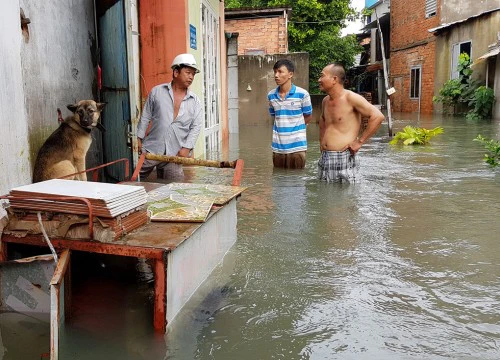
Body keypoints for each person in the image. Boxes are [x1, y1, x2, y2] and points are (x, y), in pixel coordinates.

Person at [137, 53, 203, 181]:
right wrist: (138, 139)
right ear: (176, 72)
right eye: (188, 72)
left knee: (176, 189)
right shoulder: (157, 92)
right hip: (151, 150)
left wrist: (186, 148)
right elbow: (146, 116)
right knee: (132, 181)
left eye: (193, 74)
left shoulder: (195, 101)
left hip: (175, 154)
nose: (191, 77)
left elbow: (196, 127)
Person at [318, 63, 384, 182]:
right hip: (325, 156)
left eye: (322, 76)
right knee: (326, 196)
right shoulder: (325, 101)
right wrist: (321, 143)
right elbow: (323, 121)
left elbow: (378, 116)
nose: (319, 80)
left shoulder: (351, 98)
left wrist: (359, 142)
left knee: (345, 198)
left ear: (334, 79)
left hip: (344, 156)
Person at [267, 59, 312, 169]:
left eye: (280, 72)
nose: (276, 75)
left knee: (297, 180)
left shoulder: (303, 94)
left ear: (290, 74)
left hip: (297, 147)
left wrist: (295, 130)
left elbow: (308, 116)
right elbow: (275, 116)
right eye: (275, 72)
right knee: (279, 179)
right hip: (278, 147)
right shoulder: (271, 95)